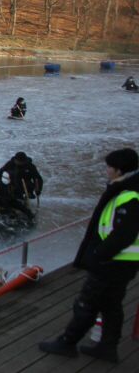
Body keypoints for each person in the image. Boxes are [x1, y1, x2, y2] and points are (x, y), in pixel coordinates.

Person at [38, 148, 139, 363]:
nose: (107, 171)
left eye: (109, 167)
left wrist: (100, 254)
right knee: (111, 306)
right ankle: (107, 348)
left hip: (112, 263)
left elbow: (125, 233)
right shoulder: (127, 189)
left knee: (86, 303)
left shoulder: (129, 195)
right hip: (122, 264)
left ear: (119, 170)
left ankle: (67, 342)